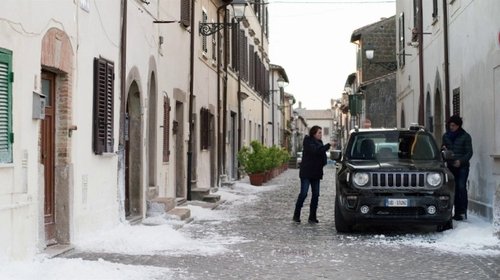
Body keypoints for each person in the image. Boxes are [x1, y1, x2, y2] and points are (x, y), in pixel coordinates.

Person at [293, 126, 332, 223]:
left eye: (321, 132)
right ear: (314, 133)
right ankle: (296, 215)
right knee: (303, 194)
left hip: (316, 173)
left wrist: (323, 162)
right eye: (319, 132)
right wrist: (328, 146)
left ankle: (312, 216)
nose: (321, 134)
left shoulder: (320, 143)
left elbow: (322, 155)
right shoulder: (308, 141)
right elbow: (316, 151)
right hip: (306, 172)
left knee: (316, 195)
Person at [442, 115, 473, 221]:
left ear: (458, 126)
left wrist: (461, 161)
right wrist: (443, 150)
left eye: (453, 125)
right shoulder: (446, 136)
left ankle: (463, 211)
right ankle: (455, 211)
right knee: (453, 189)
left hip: (462, 166)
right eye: (450, 125)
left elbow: (469, 152)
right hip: (451, 166)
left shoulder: (465, 136)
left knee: (461, 187)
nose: (451, 127)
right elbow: (442, 149)